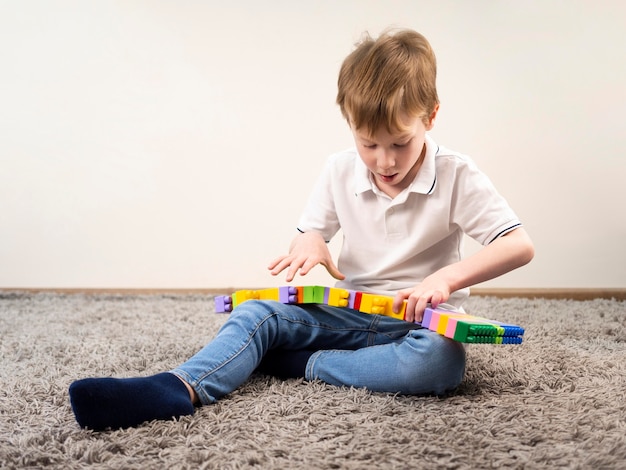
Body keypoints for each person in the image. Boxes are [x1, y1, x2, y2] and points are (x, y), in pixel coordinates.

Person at [69, 28, 534, 431]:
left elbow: (518, 244)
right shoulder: (339, 170)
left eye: (400, 143)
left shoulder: (456, 173)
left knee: (440, 363)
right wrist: (310, 241)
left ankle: (303, 365)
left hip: (416, 325)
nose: (384, 161)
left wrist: (444, 280)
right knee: (256, 315)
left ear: (430, 117)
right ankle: (180, 386)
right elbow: (310, 232)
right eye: (368, 143)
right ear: (349, 124)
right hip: (350, 314)